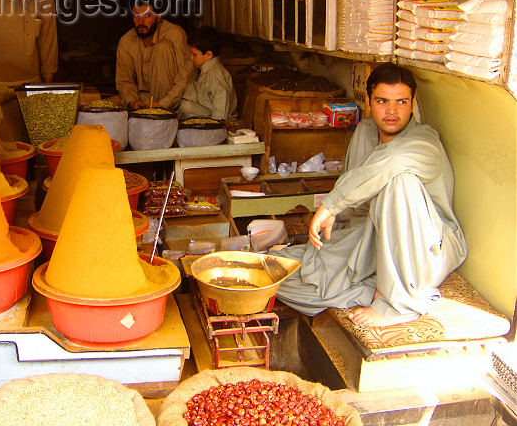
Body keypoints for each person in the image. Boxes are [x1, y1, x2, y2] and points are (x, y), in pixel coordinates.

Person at [271, 62, 467, 327]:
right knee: (279, 276)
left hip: (424, 249)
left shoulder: (424, 141)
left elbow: (390, 161)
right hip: (369, 238)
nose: (392, 111)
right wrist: (332, 246)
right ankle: (368, 289)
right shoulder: (365, 131)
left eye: (401, 102)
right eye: (382, 101)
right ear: (369, 101)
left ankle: (397, 303)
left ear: (412, 103)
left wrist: (329, 206)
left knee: (401, 181)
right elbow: (355, 209)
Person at [115, 1, 197, 111]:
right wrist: (132, 101)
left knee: (163, 47)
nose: (141, 21)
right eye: (136, 16)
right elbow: (124, 81)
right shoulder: (126, 41)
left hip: (172, 102)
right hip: (143, 101)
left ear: (158, 17)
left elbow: (186, 76)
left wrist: (162, 104)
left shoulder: (175, 34)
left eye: (147, 16)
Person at [177, 25, 238, 121]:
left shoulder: (214, 73)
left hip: (218, 117)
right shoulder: (206, 70)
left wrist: (216, 124)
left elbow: (221, 100)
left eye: (194, 54)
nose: (191, 57)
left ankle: (176, 122)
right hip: (207, 111)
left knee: (186, 107)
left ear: (209, 54)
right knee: (190, 92)